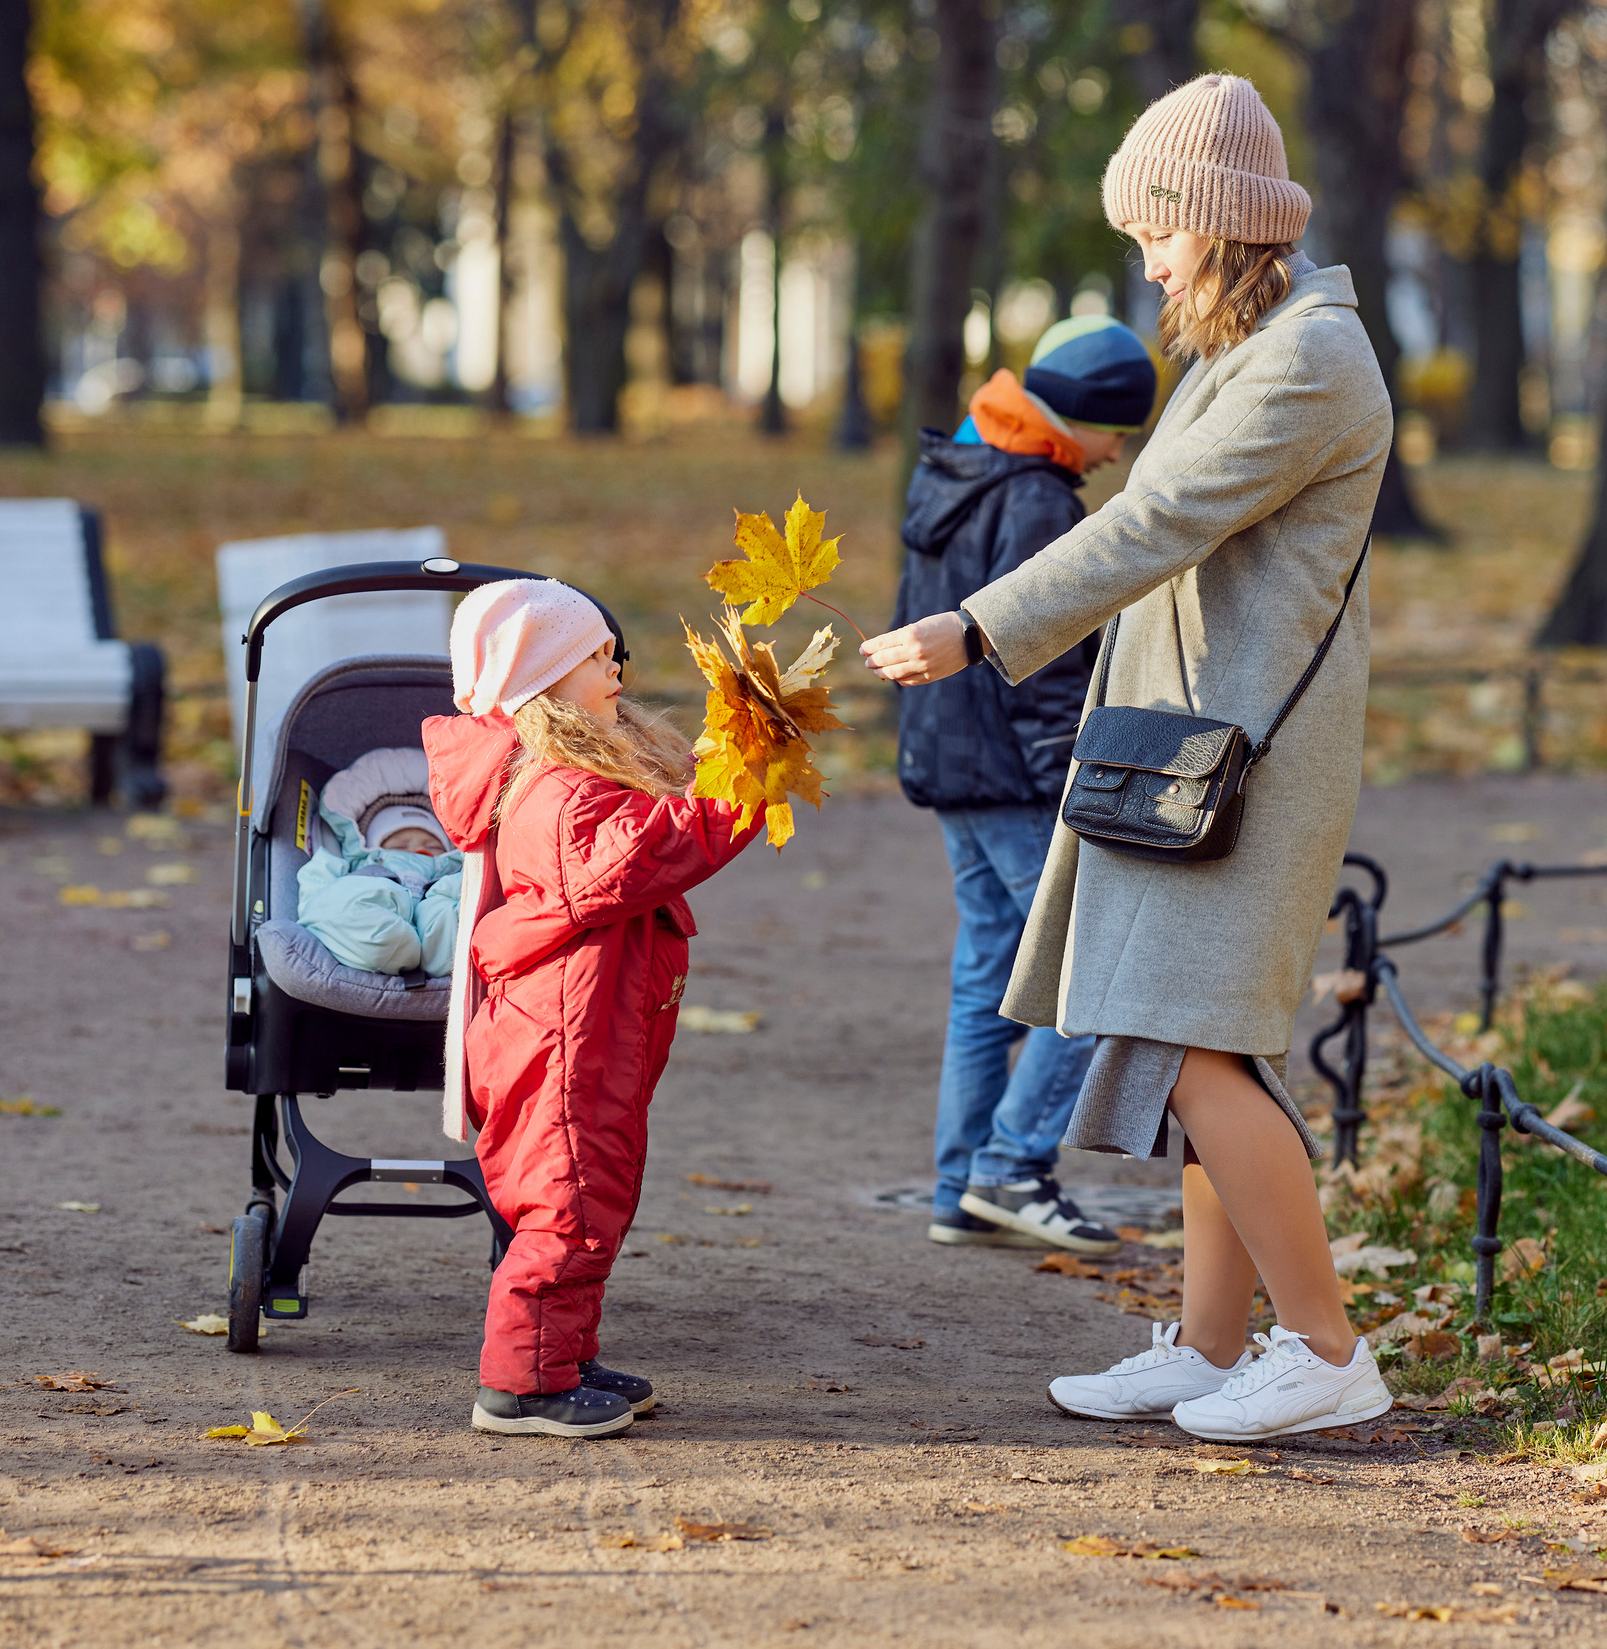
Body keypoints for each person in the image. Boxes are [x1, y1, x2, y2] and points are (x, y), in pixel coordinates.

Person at [860, 74, 1397, 1443]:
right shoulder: (1246, 348)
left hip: (1243, 765)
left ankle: (1326, 1350)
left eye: (1156, 230)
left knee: (1200, 1051)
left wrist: (978, 627)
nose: (1147, 260)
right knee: (1187, 1049)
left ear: (1218, 218)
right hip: (1188, 753)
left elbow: (1153, 526)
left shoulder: (1310, 360)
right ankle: (1213, 1350)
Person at [425, 579, 761, 1439]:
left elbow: (658, 815)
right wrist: (745, 789)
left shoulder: (571, 775)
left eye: (614, 654)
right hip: (565, 1040)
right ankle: (521, 1387)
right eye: (594, 657)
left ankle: (563, 1357)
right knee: (568, 1203)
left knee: (593, 1197)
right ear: (540, 678)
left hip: (589, 1030)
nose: (616, 670)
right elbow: (646, 852)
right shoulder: (559, 792)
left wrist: (739, 742)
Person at [896, 315, 1159, 1256]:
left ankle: (958, 1190)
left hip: (948, 760)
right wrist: (1070, 789)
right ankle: (1011, 1167)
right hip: (1016, 772)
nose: (1115, 454)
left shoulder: (951, 470)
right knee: (1092, 967)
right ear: (1080, 416)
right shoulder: (1040, 499)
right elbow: (1042, 662)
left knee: (986, 979)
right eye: (1115, 433)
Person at [295, 746, 464, 977]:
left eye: (434, 846)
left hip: (437, 918)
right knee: (341, 900)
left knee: (455, 898)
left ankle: (437, 952)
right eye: (400, 846)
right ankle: (395, 944)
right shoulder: (360, 865)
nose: (418, 850)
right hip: (376, 910)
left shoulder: (455, 866)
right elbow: (317, 894)